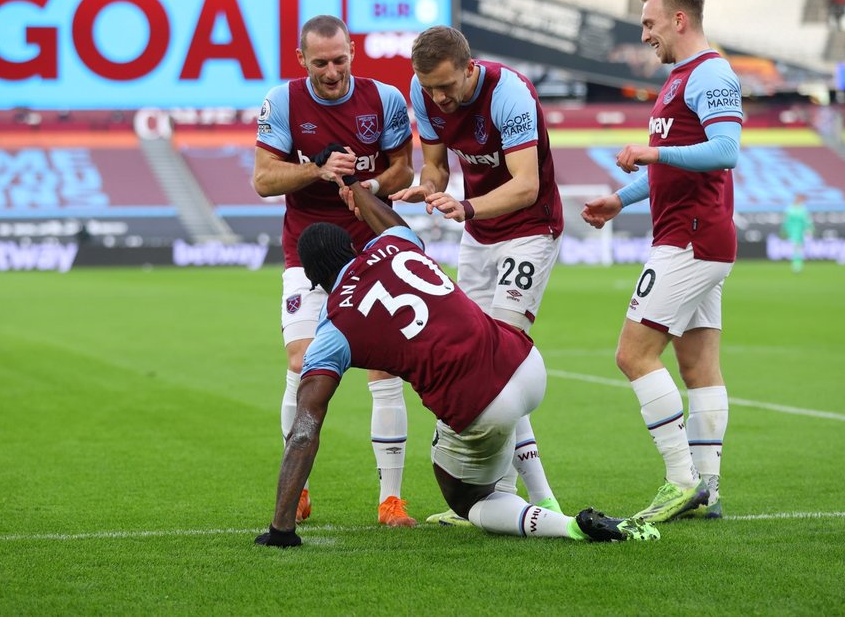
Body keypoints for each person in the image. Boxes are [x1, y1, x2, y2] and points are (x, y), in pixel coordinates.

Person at [255, 174, 660, 547]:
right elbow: (389, 221)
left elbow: (305, 431)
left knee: (470, 501)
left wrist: (281, 528)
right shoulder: (396, 244)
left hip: (481, 405)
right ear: (352, 247)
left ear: (312, 280)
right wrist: (358, 191)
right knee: (495, 404)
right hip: (526, 363)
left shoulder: (333, 327)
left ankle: (568, 525)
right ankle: (542, 497)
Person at [582, 0, 743, 522]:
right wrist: (620, 199)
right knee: (698, 368)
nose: (645, 35)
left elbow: (725, 150)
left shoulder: (711, 72)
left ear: (679, 20)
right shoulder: (679, 79)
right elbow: (673, 166)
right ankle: (709, 491)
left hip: (690, 238)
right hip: (693, 235)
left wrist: (651, 151)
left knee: (633, 355)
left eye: (650, 24)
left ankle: (680, 481)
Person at [391, 25, 565, 526]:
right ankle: (500, 497)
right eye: (430, 89)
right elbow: (436, 169)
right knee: (475, 365)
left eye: (447, 86)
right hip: (479, 236)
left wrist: (465, 207)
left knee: (500, 363)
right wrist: (425, 189)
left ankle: (535, 496)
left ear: (470, 68)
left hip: (529, 230)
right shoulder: (424, 93)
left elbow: (527, 186)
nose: (439, 99)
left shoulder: (510, 94)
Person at [253, 15, 416, 527]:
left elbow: (404, 168)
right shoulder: (282, 102)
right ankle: (296, 489)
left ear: (351, 53)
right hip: (306, 252)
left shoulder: (384, 98)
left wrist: (367, 188)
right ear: (302, 60)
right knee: (302, 363)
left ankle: (391, 500)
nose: (331, 71)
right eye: (320, 62)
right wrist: (317, 169)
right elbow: (262, 179)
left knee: (384, 367)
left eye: (339, 59)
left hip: (371, 248)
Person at [781, 194, 813, 272]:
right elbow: (786, 220)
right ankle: (796, 264)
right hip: (792, 231)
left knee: (798, 247)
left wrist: (809, 228)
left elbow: (807, 220)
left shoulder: (802, 208)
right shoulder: (790, 208)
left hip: (800, 231)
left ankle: (797, 264)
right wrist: (784, 230)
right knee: (796, 246)